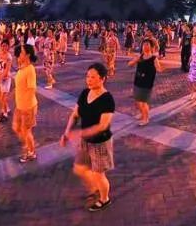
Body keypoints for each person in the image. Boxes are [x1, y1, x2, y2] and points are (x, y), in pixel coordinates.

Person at [60, 63, 115, 212]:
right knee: (79, 169)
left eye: (93, 77)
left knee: (99, 174)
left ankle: (104, 199)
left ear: (102, 79)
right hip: (85, 141)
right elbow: (75, 114)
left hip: (100, 143)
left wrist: (79, 133)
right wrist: (67, 132)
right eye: (87, 76)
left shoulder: (107, 99)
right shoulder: (85, 93)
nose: (89, 80)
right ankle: (96, 188)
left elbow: (102, 126)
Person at [128, 39, 163, 126]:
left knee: (143, 102)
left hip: (147, 83)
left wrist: (159, 67)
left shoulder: (154, 59)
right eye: (144, 45)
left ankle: (146, 118)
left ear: (151, 47)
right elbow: (130, 64)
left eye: (147, 44)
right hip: (138, 81)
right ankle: (142, 114)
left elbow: (159, 69)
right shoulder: (140, 57)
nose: (145, 46)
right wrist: (135, 60)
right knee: (137, 100)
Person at [13, 44, 39, 163]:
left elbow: (32, 89)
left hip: (27, 107)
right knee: (17, 128)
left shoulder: (30, 69)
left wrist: (26, 109)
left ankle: (31, 152)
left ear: (27, 55)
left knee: (26, 131)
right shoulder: (22, 67)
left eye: (22, 52)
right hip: (20, 105)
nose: (19, 54)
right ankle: (28, 144)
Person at [0, 40, 13, 122]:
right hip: (0, 77)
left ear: (8, 46)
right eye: (2, 45)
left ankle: (4, 114)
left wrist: (1, 78)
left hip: (6, 78)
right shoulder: (0, 54)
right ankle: (7, 109)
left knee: (3, 98)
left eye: (5, 45)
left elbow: (7, 69)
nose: (3, 47)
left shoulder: (9, 57)